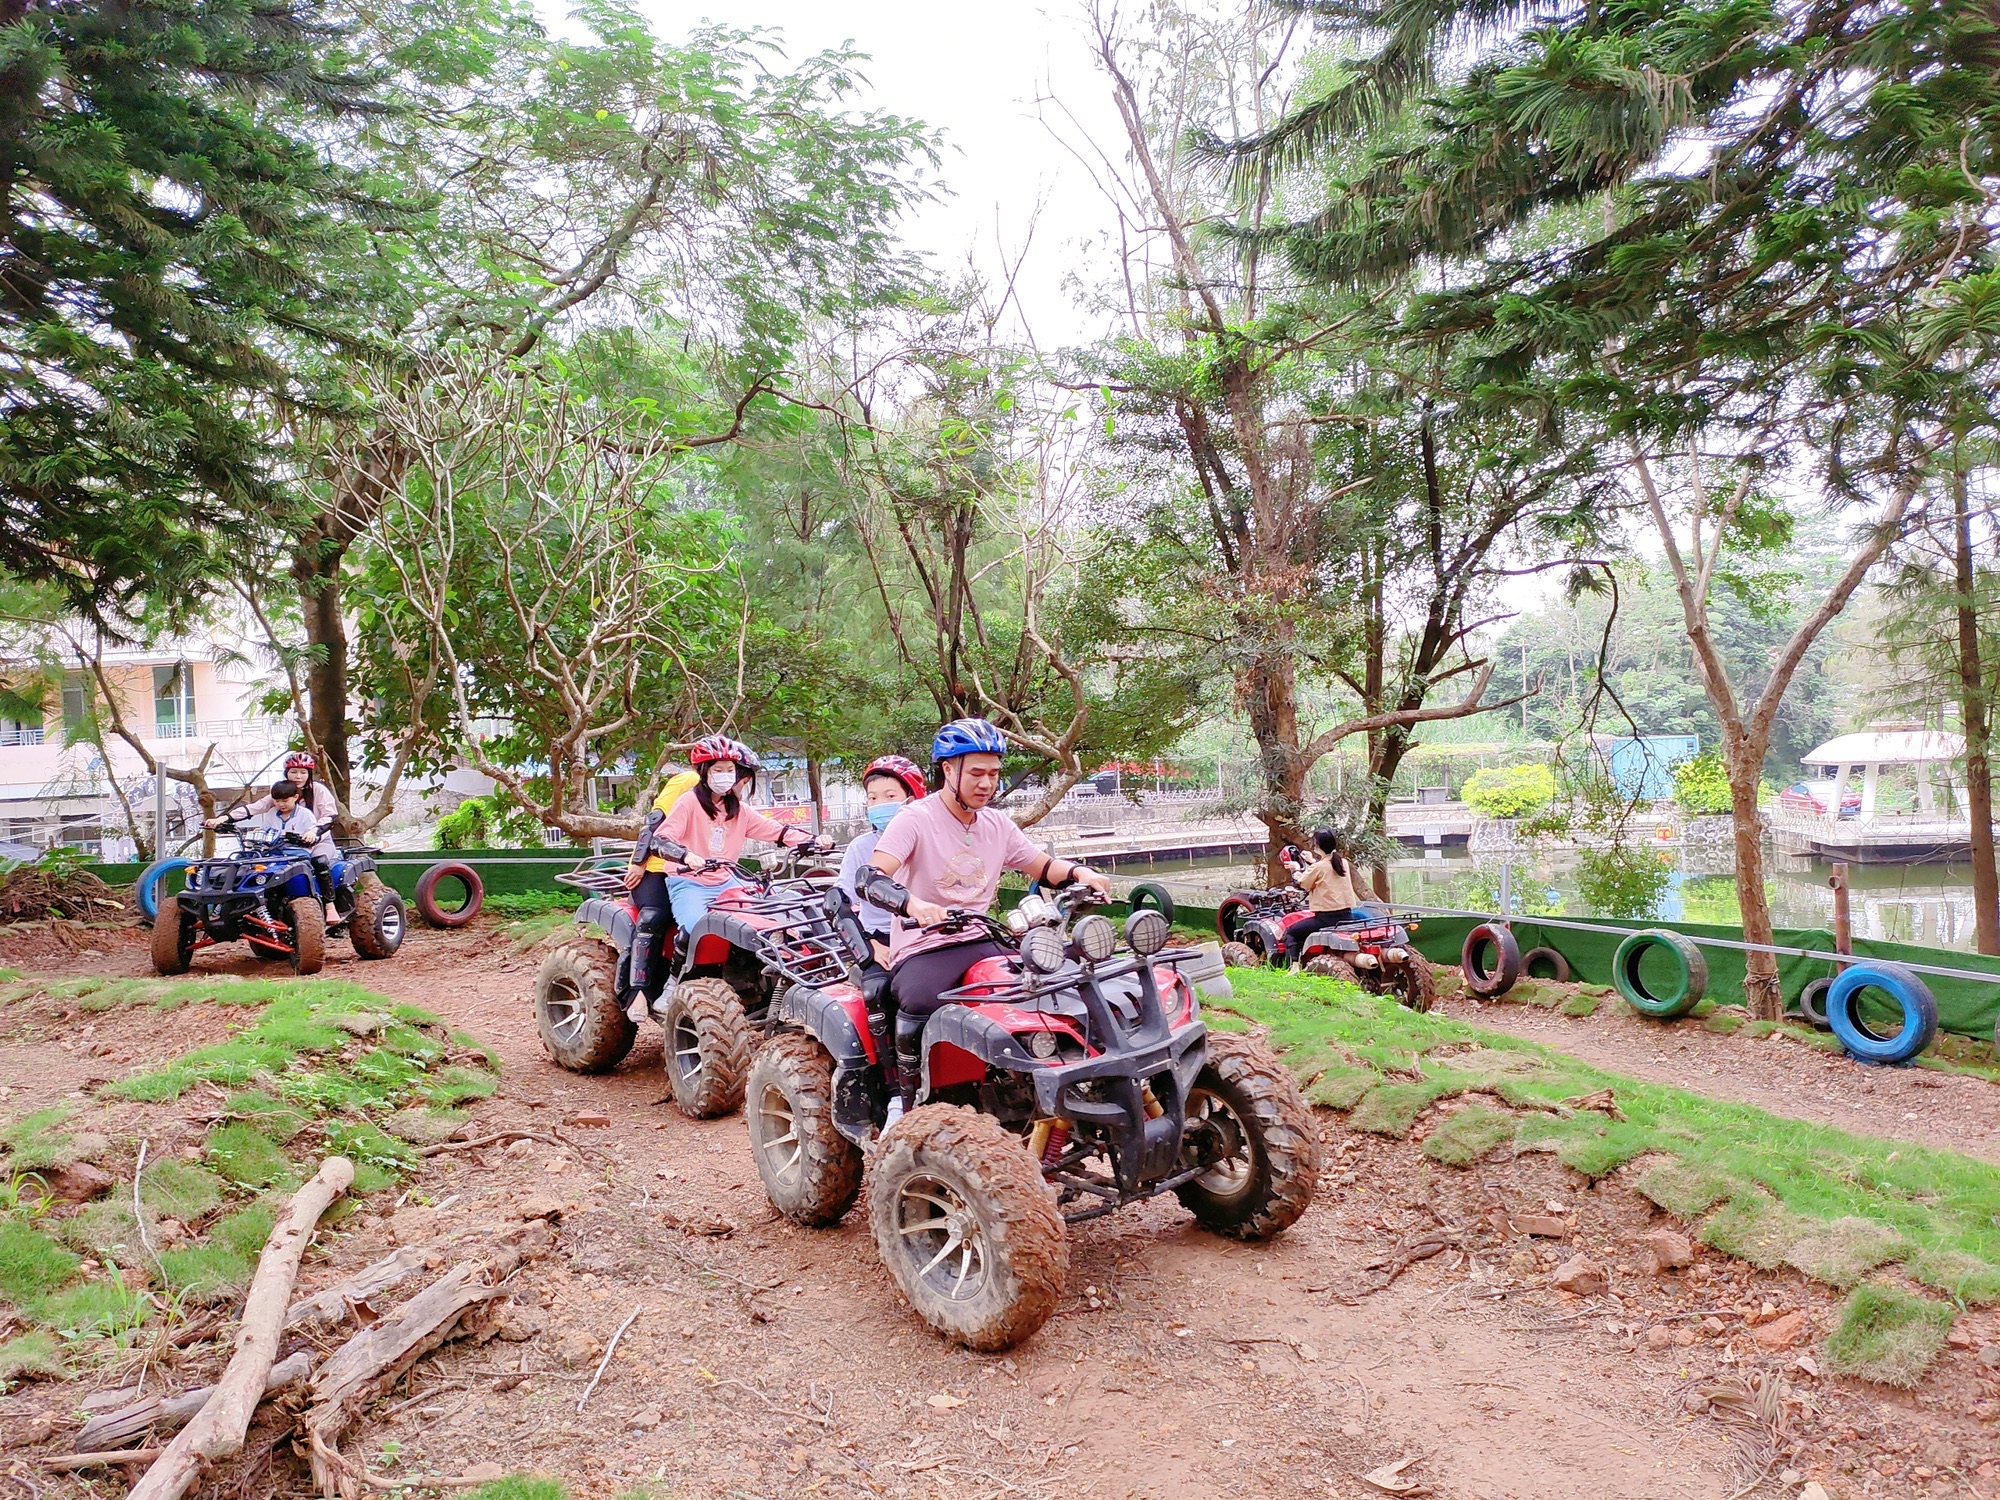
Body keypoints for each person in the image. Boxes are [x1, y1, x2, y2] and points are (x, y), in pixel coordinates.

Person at [861, 718, 1112, 1126]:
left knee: (1055, 978)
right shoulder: (914, 818)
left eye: (994, 774)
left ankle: (1076, 1077)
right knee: (919, 997)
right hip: (925, 944)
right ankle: (902, 1101)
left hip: (983, 935)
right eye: (976, 773)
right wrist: (913, 905)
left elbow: (1044, 865)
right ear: (948, 769)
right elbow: (871, 878)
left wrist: (1080, 872)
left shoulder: (996, 824)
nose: (986, 783)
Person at [620, 736, 827, 1002]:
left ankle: (760, 978)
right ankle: (673, 983)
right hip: (689, 882)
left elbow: (775, 830)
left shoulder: (738, 808)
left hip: (727, 881)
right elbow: (660, 838)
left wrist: (812, 840)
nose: (726, 776)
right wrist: (685, 856)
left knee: (766, 915)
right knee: (695, 927)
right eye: (718, 770)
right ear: (704, 772)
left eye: (730, 770)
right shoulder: (688, 802)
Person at [212, 752, 340, 922]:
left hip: (317, 842)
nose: (298, 776)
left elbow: (330, 816)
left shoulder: (318, 791)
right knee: (252, 861)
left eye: (303, 772)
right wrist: (225, 818)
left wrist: (314, 832)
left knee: (320, 860)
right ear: (286, 772)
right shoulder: (281, 793)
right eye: (294, 771)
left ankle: (329, 905)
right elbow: (255, 807)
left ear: (309, 774)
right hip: (282, 847)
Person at [835, 754, 926, 968]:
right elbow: (838, 903)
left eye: (890, 796)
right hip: (880, 938)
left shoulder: (934, 840)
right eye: (873, 798)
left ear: (911, 800)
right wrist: (870, 945)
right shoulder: (860, 847)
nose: (879, 804)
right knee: (878, 992)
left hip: (929, 937)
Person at [1282, 828, 1359, 965]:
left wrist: (1295, 868)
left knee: (1291, 933)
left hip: (1326, 919)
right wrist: (1311, 861)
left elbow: (1302, 883)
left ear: (1316, 846)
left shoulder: (1319, 867)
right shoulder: (1343, 862)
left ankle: (1293, 967)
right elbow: (1325, 872)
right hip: (1347, 916)